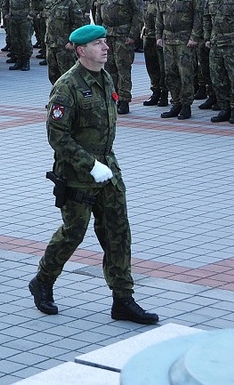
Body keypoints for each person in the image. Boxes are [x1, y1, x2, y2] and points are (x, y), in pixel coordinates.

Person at [28, 24, 159, 325]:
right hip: (78, 173)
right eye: (98, 43)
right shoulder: (67, 86)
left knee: (118, 233)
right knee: (73, 233)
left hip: (108, 169)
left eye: (104, 42)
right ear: (81, 50)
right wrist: (90, 164)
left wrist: (104, 165)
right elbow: (57, 136)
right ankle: (43, 280)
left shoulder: (105, 77)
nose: (105, 47)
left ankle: (123, 299)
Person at [95, 0, 142, 114]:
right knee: (108, 68)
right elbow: (99, 8)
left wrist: (133, 35)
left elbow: (138, 12)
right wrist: (99, 31)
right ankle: (112, 98)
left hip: (123, 34)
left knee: (123, 69)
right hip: (107, 33)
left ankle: (124, 101)